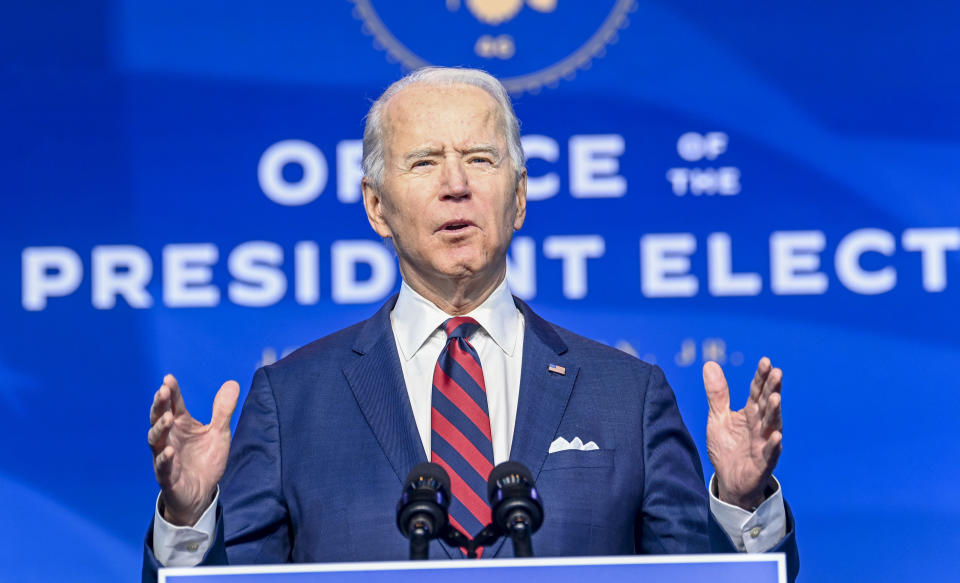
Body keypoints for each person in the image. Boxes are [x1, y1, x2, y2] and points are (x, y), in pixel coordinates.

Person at [143, 67, 798, 581]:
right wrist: (189, 518)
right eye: (424, 161)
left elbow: (694, 577)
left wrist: (741, 503)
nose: (456, 184)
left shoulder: (627, 395)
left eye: (481, 159)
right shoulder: (291, 401)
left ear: (518, 198)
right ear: (376, 205)